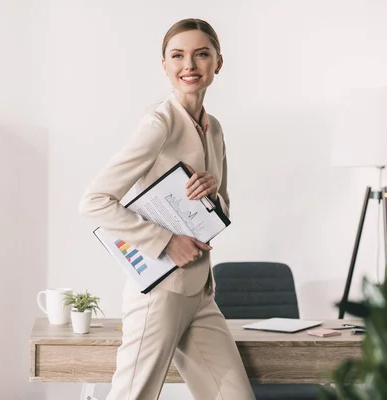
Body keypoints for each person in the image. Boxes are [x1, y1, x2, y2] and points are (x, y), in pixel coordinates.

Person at [78, 18, 255, 400]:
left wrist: (214, 195)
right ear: (165, 65)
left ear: (217, 63)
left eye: (201, 54)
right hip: (160, 292)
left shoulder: (216, 128)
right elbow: (94, 201)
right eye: (178, 55)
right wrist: (165, 241)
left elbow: (223, 206)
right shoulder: (159, 123)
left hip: (201, 292)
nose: (189, 65)